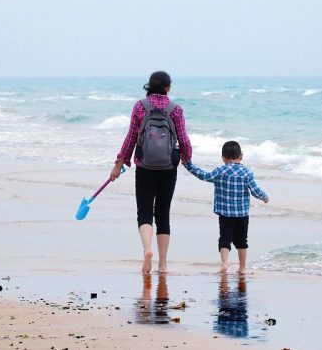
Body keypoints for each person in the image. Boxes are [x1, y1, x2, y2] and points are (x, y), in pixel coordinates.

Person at [110, 71, 192, 274]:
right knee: (163, 214)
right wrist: (186, 158)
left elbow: (131, 137)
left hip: (144, 166)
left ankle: (147, 250)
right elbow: (184, 139)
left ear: (150, 86)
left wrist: (120, 163)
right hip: (168, 167)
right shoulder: (176, 110)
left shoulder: (140, 107)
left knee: (144, 212)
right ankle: (163, 264)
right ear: (167, 88)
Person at [184, 141, 269, 274]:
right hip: (242, 215)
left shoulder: (219, 171)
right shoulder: (247, 173)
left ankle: (224, 264)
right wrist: (265, 197)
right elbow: (255, 190)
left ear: (223, 157)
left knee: (224, 238)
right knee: (242, 240)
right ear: (241, 156)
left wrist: (189, 165)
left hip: (225, 214)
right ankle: (242, 268)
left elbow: (204, 176)